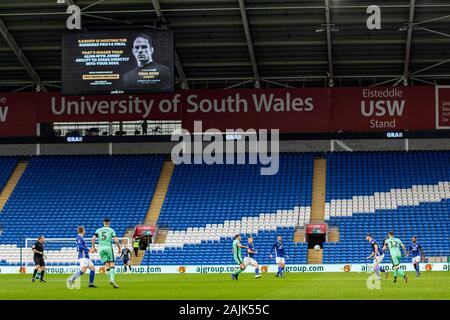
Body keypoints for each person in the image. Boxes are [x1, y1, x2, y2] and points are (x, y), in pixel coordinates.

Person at [92, 218, 121, 289]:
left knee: (106, 265)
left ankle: (111, 280)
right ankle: (113, 280)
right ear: (109, 223)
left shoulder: (98, 230)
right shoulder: (111, 230)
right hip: (108, 248)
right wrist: (119, 248)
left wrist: (94, 247)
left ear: (103, 223)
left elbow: (93, 239)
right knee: (112, 264)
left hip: (101, 249)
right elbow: (116, 240)